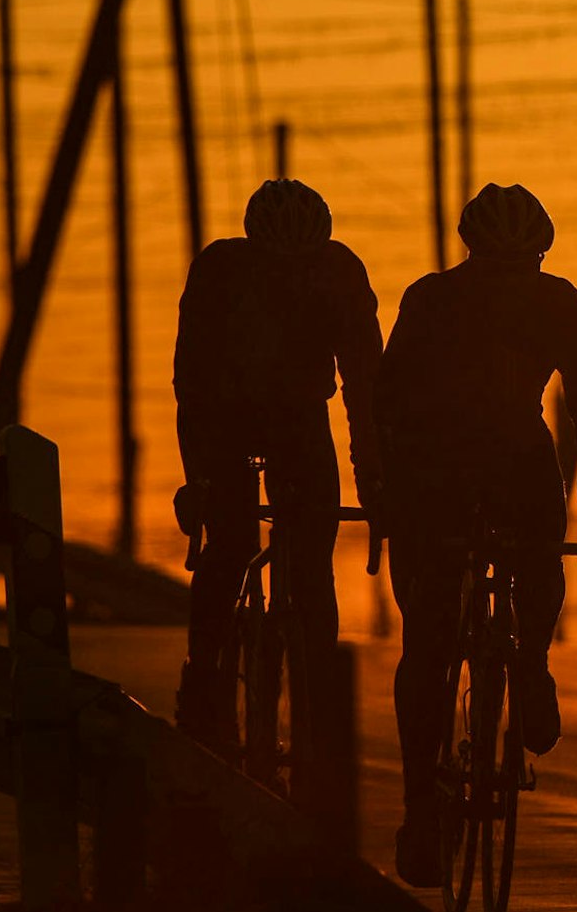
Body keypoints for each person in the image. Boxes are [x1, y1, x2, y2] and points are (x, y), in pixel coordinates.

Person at [380, 182, 577, 886]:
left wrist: (392, 500)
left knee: (429, 640)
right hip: (481, 464)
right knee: (441, 628)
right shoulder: (547, 301)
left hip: (461, 465)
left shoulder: (434, 298)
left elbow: (388, 407)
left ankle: (524, 670)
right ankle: (524, 672)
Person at [171, 179, 384, 757]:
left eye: (302, 266)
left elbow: (366, 387)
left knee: (312, 563)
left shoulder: (340, 273)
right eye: (277, 267)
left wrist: (372, 475)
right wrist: (200, 479)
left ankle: (319, 700)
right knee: (232, 542)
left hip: (299, 419)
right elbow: (190, 381)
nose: (290, 277)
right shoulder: (220, 270)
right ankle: (202, 678)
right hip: (225, 417)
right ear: (254, 250)